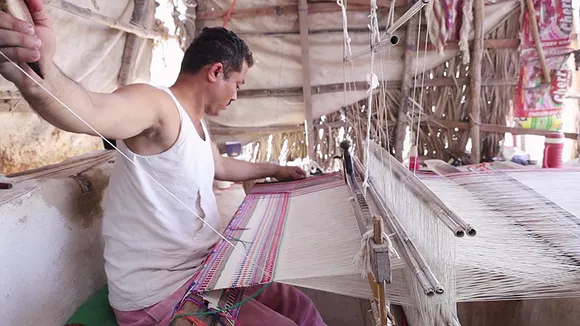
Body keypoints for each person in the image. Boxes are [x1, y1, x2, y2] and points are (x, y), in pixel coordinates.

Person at [0, 1, 326, 325]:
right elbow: (88, 111)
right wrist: (38, 70)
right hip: (159, 291)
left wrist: (277, 170)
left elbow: (221, 168)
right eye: (237, 84)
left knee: (299, 306)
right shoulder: (157, 106)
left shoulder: (196, 123)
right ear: (215, 72)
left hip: (202, 269)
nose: (236, 96)